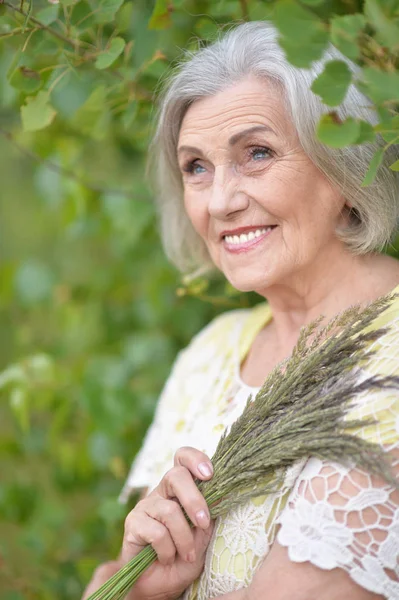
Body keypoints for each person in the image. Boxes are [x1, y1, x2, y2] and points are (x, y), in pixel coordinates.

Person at [82, 21, 399, 600]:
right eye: (196, 166)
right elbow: (112, 580)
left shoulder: (392, 359)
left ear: (346, 170)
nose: (221, 201)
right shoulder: (211, 352)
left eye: (256, 154)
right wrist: (141, 589)